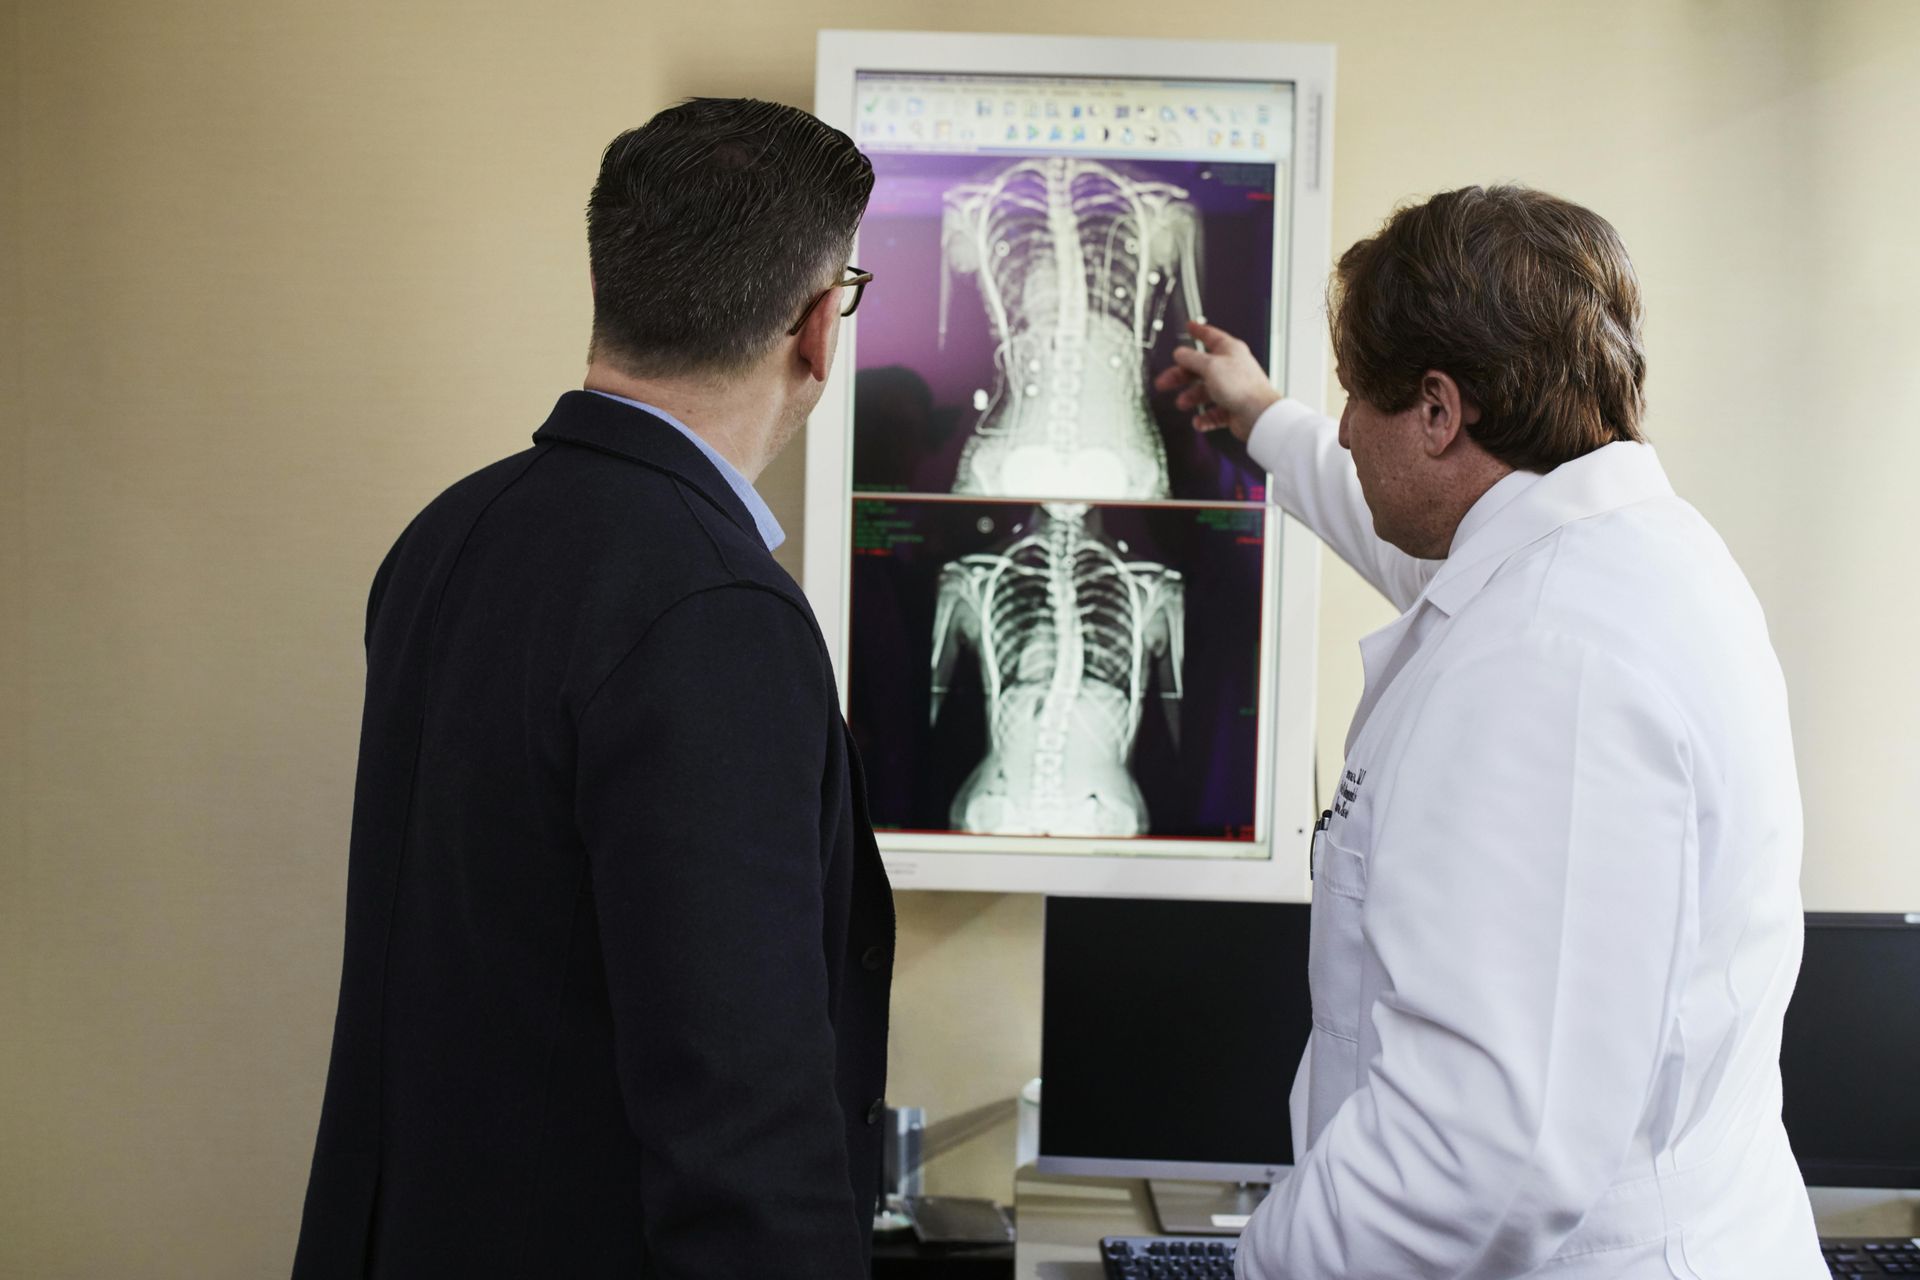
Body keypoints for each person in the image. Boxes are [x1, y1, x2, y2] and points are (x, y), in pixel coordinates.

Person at [1157, 185, 1821, 1278]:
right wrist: (1264, 418)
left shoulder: (1551, 660)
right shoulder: (1622, 550)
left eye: (1354, 399)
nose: (1347, 432)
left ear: (1438, 410)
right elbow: (1418, 542)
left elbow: (1475, 1156)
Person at [292, 99, 892, 1279]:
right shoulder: (715, 609)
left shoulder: (449, 535)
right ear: (821, 326)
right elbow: (743, 1117)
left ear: (612, 284)